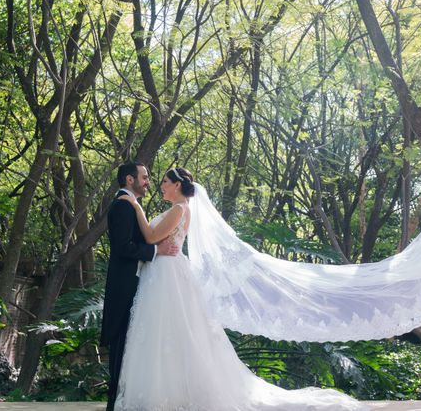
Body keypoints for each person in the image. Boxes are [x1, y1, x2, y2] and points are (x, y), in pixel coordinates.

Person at [114, 167, 366, 411]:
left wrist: (136, 207)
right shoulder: (178, 209)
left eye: (166, 183)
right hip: (163, 272)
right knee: (169, 331)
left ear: (177, 185)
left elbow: (150, 237)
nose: (161, 187)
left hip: (167, 274)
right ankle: (171, 392)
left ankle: (168, 394)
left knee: (168, 331)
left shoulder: (178, 210)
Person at [100, 162, 180, 411]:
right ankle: (115, 404)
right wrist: (157, 250)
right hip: (124, 285)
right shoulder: (123, 206)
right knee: (120, 344)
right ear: (129, 179)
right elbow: (123, 247)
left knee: (128, 344)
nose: (148, 181)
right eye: (144, 177)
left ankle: (121, 402)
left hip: (136, 284)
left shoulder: (130, 205)